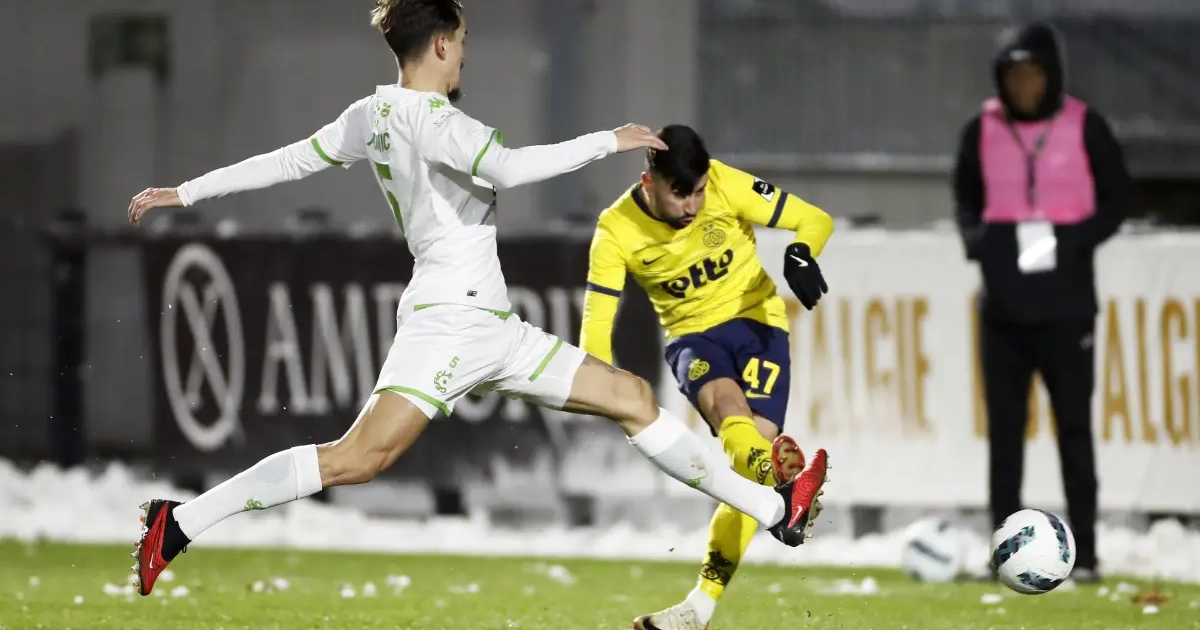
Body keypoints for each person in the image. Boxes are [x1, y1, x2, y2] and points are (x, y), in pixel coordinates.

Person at [126, 0, 830, 597]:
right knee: (356, 459)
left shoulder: (369, 115)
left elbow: (288, 160)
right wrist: (607, 141)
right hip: (450, 325)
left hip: (492, 325)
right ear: (440, 44)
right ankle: (179, 523)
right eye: (462, 41)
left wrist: (186, 191)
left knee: (631, 397)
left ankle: (776, 511)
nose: (465, 54)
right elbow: (511, 169)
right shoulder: (437, 122)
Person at [581, 125, 834, 630]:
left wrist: (802, 251)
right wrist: (597, 387)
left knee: (745, 472)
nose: (692, 205)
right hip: (693, 339)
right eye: (680, 193)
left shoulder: (723, 182)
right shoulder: (616, 228)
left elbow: (815, 219)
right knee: (726, 407)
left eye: (698, 192)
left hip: (759, 325)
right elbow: (596, 330)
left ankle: (701, 607)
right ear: (649, 182)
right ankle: (783, 486)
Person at [952, 21, 1129, 583]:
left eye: (1033, 74)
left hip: (1067, 309)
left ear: (1052, 76)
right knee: (1005, 438)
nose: (1024, 85)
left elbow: (1117, 198)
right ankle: (1004, 553)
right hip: (1002, 311)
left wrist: (1076, 240)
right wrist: (981, 243)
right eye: (1014, 75)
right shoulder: (981, 128)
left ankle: (1088, 556)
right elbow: (965, 196)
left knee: (1074, 431)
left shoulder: (1085, 125)